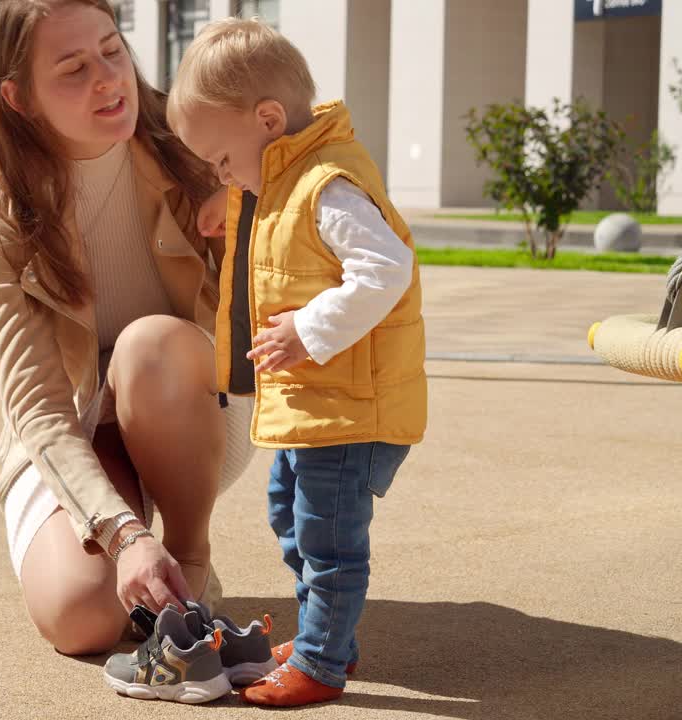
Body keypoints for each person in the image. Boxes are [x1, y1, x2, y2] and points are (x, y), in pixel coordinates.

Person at [0, 0, 256, 657]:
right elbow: (37, 407)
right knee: (80, 619)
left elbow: (313, 163)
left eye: (112, 50)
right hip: (74, 425)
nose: (107, 78)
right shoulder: (0, 212)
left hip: (188, 402)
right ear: (19, 98)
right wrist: (123, 535)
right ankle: (143, 555)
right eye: (72, 68)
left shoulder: (192, 138)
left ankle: (189, 558)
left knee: (149, 344)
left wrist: (247, 216)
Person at [167, 18, 428, 706]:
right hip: (313, 404)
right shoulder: (288, 179)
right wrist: (237, 209)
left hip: (346, 407)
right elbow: (289, 244)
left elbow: (385, 268)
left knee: (329, 538)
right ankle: (324, 635)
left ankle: (321, 660)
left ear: (269, 120)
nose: (222, 175)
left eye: (222, 161)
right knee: (291, 515)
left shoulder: (330, 183)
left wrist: (309, 332)